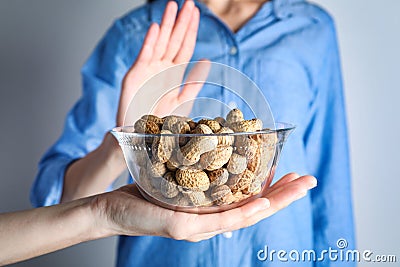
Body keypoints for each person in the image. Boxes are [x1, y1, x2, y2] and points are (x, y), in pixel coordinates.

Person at [31, 0, 355, 266]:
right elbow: (58, 202)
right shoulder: (136, 34)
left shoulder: (311, 30)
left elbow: (330, 175)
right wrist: (123, 145)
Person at [0, 173, 316, 266]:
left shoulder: (311, 29)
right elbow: (54, 194)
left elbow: (330, 198)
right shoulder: (130, 33)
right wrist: (118, 138)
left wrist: (103, 213)